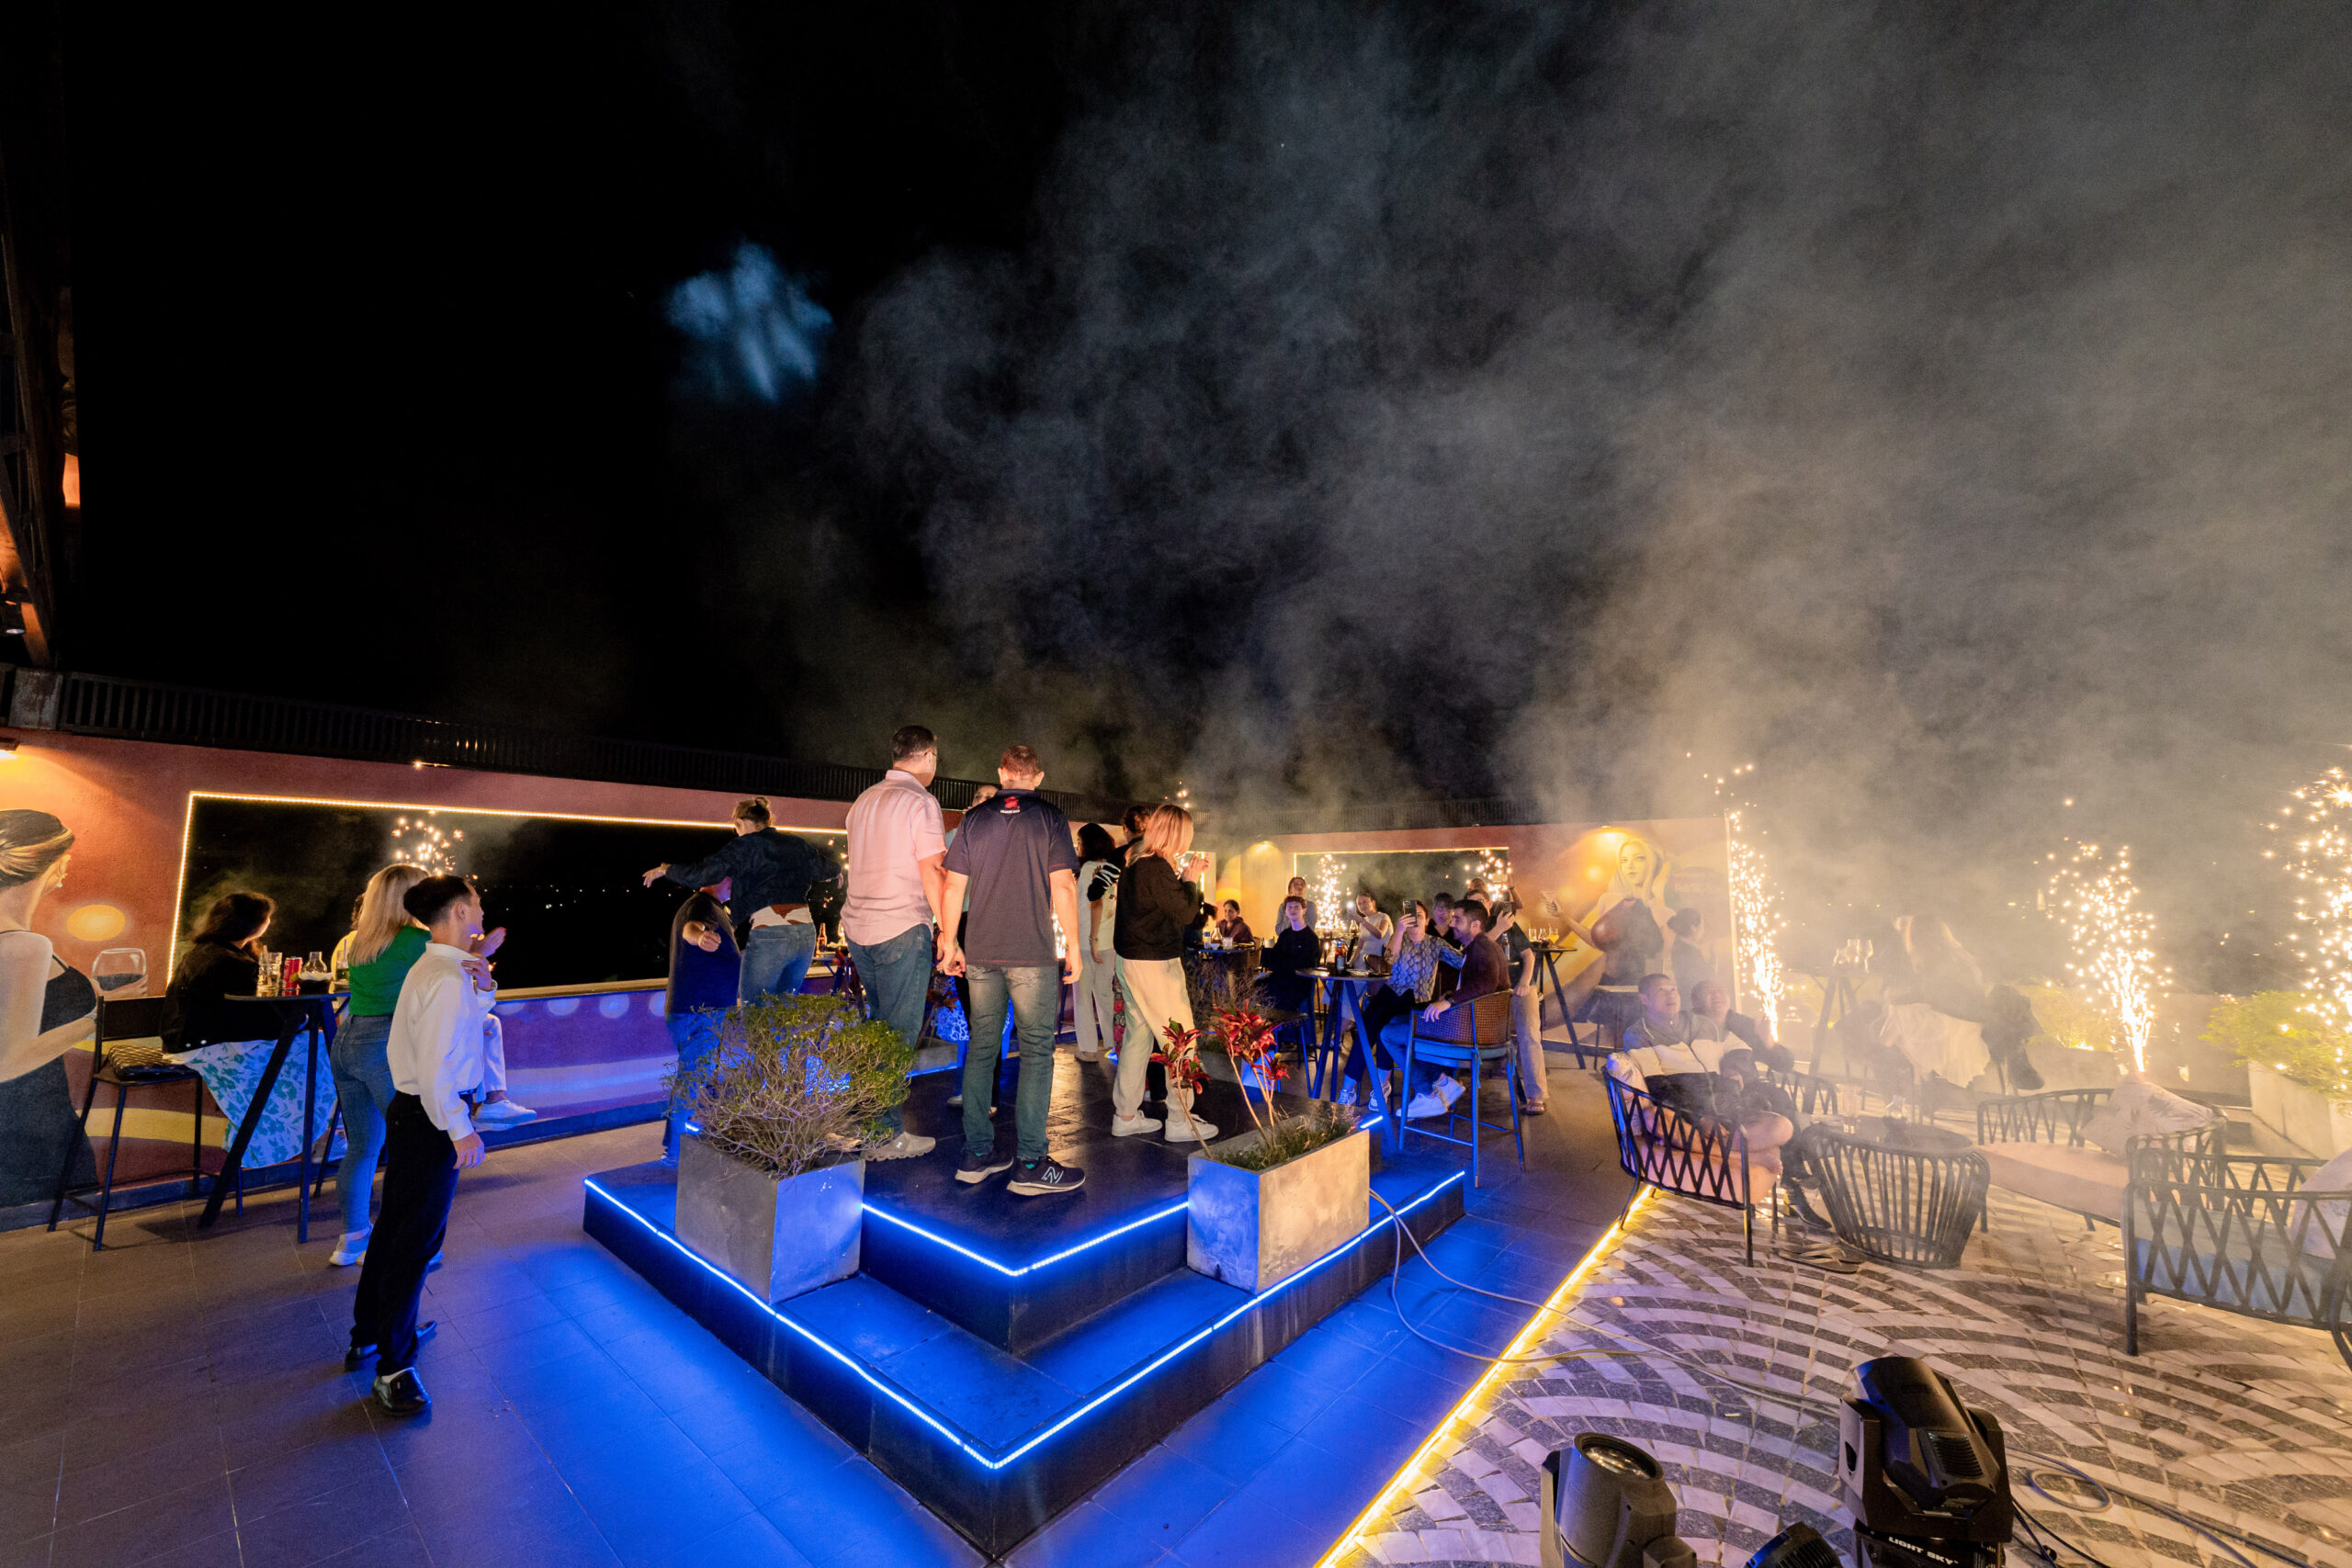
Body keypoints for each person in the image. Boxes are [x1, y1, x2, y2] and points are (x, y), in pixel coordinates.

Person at [349, 874, 498, 1416]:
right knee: (415, 1242)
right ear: (458, 911)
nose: (481, 912)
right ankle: (394, 1368)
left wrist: (485, 985)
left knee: (395, 1229)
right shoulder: (446, 977)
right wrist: (460, 1128)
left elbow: (454, 1036)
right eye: (475, 904)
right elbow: (438, 1068)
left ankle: (371, 1333)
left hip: (415, 1114)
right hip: (431, 1117)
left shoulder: (438, 968)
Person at [938, 746, 1085, 1195]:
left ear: (1002, 773)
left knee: (982, 1048)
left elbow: (953, 885)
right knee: (1037, 1051)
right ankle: (1030, 1163)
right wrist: (1074, 946)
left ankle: (976, 1155)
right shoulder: (1050, 818)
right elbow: (1063, 886)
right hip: (1031, 954)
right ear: (1037, 777)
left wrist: (950, 941)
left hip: (981, 954)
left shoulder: (974, 820)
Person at [842, 725, 949, 1159]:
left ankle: (869, 1126)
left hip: (859, 930)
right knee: (897, 1036)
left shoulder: (863, 801)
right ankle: (885, 1136)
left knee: (878, 1030)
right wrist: (948, 931)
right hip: (901, 927)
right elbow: (932, 871)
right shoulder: (920, 801)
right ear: (927, 756)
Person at [0, 811, 106, 1207]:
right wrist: (96, 1018)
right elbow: (8, 1060)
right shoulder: (24, 945)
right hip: (29, 1124)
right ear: (49, 861)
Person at [644, 796, 838, 1004]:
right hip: (806, 935)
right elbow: (826, 869)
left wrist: (667, 870)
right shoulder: (795, 843)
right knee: (782, 1010)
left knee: (754, 1011)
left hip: (772, 931)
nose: (737, 833)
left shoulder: (744, 845)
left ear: (739, 823)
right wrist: (836, 874)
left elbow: (703, 873)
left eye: (736, 828)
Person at [1615, 972, 1796, 1180]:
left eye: (1673, 990)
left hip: (1725, 1106)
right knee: (1654, 1118)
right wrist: (1700, 1118)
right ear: (1644, 999)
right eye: (1661, 990)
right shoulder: (1639, 1034)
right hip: (1685, 1111)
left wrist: (1732, 1067)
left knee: (1782, 1127)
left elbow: (1739, 1047)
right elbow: (1658, 1086)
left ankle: (1715, 1147)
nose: (1671, 995)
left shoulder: (1701, 1023)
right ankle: (1747, 1157)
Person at [1111, 804, 1217, 1145]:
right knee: (1181, 1040)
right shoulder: (1155, 866)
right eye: (1188, 833)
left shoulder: (1136, 861)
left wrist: (1184, 879)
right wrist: (1191, 880)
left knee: (1138, 1038)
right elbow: (1186, 913)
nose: (1190, 839)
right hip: (1154, 964)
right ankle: (1180, 1119)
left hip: (1132, 961)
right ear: (1177, 834)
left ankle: (1125, 1116)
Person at [1395, 900, 1509, 1120]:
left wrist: (1449, 1001)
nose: (1451, 923)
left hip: (1469, 1034)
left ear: (1475, 925)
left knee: (1389, 1034)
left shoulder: (1482, 948)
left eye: (1458, 919)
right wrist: (1448, 996)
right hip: (1473, 1028)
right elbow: (1476, 985)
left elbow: (1486, 985)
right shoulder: (1479, 947)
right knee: (1398, 1023)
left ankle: (1428, 1094)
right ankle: (1443, 1083)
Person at [662, 883, 740, 1166]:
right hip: (698, 1011)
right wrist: (700, 937)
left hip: (699, 1009)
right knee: (691, 1081)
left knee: (692, 1079)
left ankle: (676, 1149)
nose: (736, 881)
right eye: (731, 876)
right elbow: (691, 929)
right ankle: (674, 1155)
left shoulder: (713, 908)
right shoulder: (700, 905)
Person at [162, 891, 274, 1050]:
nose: (270, 921)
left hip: (178, 1042)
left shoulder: (201, 951)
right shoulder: (233, 963)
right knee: (303, 1043)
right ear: (252, 925)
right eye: (266, 916)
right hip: (203, 1048)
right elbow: (253, 1015)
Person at [1492, 899, 1547, 1115]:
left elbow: (1528, 955)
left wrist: (1524, 982)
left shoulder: (1510, 925)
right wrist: (1498, 928)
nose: (1483, 905)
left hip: (1520, 983)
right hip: (1492, 988)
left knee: (1529, 1033)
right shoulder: (1477, 927)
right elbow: (1474, 950)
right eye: (1476, 902)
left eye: (1484, 900)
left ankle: (1536, 1095)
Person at [1074, 823, 1120, 1064]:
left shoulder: (1088, 869)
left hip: (1087, 941)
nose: (1078, 846)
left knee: (1083, 997)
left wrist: (1092, 939)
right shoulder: (1112, 869)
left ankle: (1089, 1049)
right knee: (1105, 995)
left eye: (1079, 842)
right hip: (1109, 942)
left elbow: (1095, 903)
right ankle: (1115, 1044)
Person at [1259, 896, 1319, 1016]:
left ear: (1304, 910)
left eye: (1296, 907)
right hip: (1280, 979)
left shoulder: (1311, 938)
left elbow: (1305, 964)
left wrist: (1282, 962)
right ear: (1286, 912)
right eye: (1289, 907)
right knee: (1252, 988)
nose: (1293, 910)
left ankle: (1284, 1024)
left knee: (1280, 997)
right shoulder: (1285, 935)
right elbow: (1274, 959)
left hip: (1298, 983)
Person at [1668, 907, 1714, 998]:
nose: (1703, 931)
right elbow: (1705, 979)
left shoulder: (1682, 946)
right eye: (1702, 927)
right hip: (1691, 1000)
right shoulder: (1686, 952)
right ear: (1693, 928)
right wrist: (1712, 959)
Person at [1347, 892, 1393, 972]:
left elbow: (1379, 934)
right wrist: (1350, 962)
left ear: (1373, 903)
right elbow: (1359, 948)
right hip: (1361, 962)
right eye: (1359, 904)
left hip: (1376, 963)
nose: (1362, 906)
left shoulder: (1383, 917)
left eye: (1364, 902)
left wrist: (1362, 920)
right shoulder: (1363, 921)